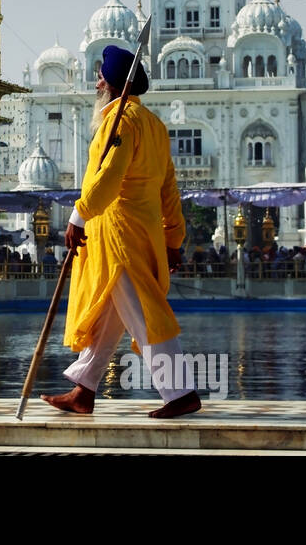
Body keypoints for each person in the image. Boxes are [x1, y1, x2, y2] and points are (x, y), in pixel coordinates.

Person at [41, 44, 200, 419]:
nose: (97, 82)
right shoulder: (155, 125)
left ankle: (180, 392)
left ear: (112, 83)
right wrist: (173, 238)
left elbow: (108, 177)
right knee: (108, 313)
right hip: (139, 232)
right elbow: (168, 188)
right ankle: (84, 389)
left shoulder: (121, 122)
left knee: (144, 314)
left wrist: (78, 217)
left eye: (100, 76)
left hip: (119, 234)